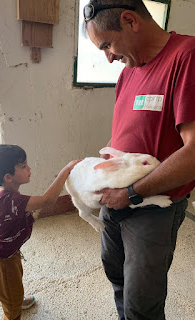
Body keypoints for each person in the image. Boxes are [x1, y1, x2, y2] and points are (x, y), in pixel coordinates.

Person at [83, 1, 195, 319]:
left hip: (151, 207)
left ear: (130, 20)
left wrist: (131, 193)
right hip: (115, 199)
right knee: (117, 278)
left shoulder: (186, 56)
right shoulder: (128, 73)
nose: (109, 57)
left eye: (107, 44)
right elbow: (126, 135)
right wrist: (98, 170)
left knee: (141, 301)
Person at [0, 144, 81, 320]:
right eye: (23, 166)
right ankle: (14, 306)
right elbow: (48, 200)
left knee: (15, 279)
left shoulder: (9, 195)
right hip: (0, 258)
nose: (29, 168)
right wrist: (66, 170)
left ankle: (17, 297)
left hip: (6, 250)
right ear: (8, 177)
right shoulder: (12, 200)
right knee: (11, 308)